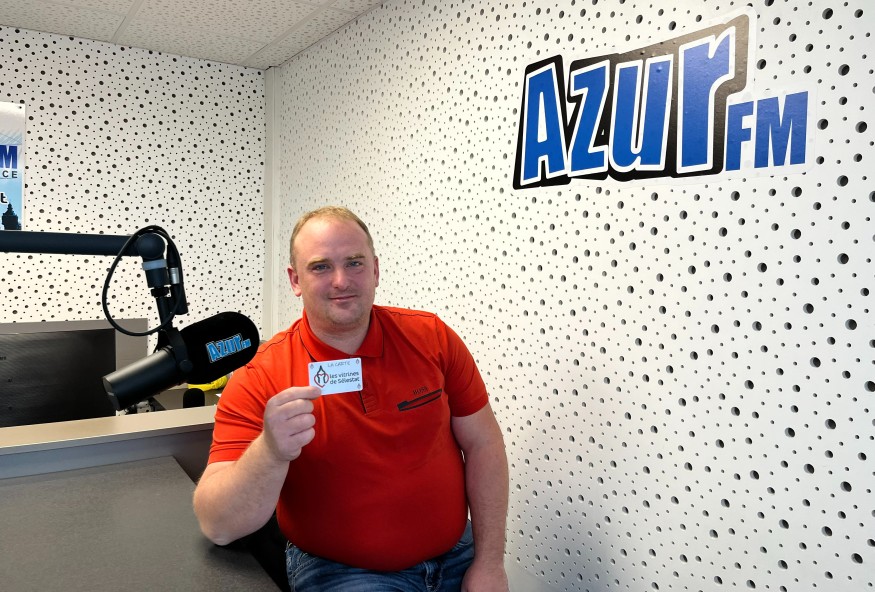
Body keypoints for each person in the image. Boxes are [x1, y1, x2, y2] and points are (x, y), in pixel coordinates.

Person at [193, 206, 510, 591]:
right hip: (341, 571)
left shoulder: (433, 339)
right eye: (321, 267)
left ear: (375, 270)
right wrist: (270, 451)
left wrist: (490, 562)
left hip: (457, 552)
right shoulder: (260, 375)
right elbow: (218, 525)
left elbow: (484, 444)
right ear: (295, 280)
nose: (341, 281)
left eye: (354, 263)